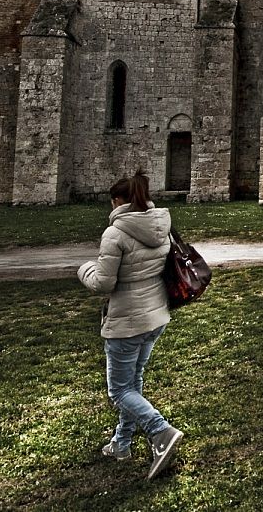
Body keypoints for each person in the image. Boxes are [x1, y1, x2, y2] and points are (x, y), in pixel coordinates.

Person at [78, 169, 184, 480]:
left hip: (126, 321)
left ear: (117, 201)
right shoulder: (161, 225)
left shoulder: (116, 234)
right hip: (155, 316)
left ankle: (160, 430)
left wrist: (84, 270)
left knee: (120, 390)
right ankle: (121, 444)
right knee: (132, 383)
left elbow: (103, 282)